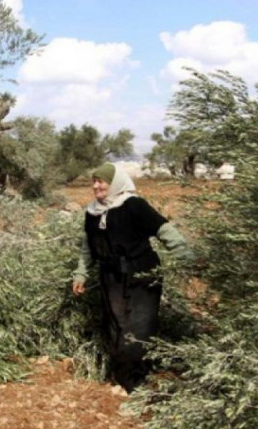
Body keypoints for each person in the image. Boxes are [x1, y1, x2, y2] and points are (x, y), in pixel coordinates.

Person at [72, 162, 192, 392]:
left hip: (142, 272)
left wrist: (187, 258)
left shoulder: (133, 205)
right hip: (111, 276)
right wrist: (81, 274)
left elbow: (163, 229)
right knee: (117, 326)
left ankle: (138, 382)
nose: (96, 186)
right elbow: (88, 247)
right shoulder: (92, 212)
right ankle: (124, 377)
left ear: (115, 183)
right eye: (94, 181)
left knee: (140, 325)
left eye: (101, 181)